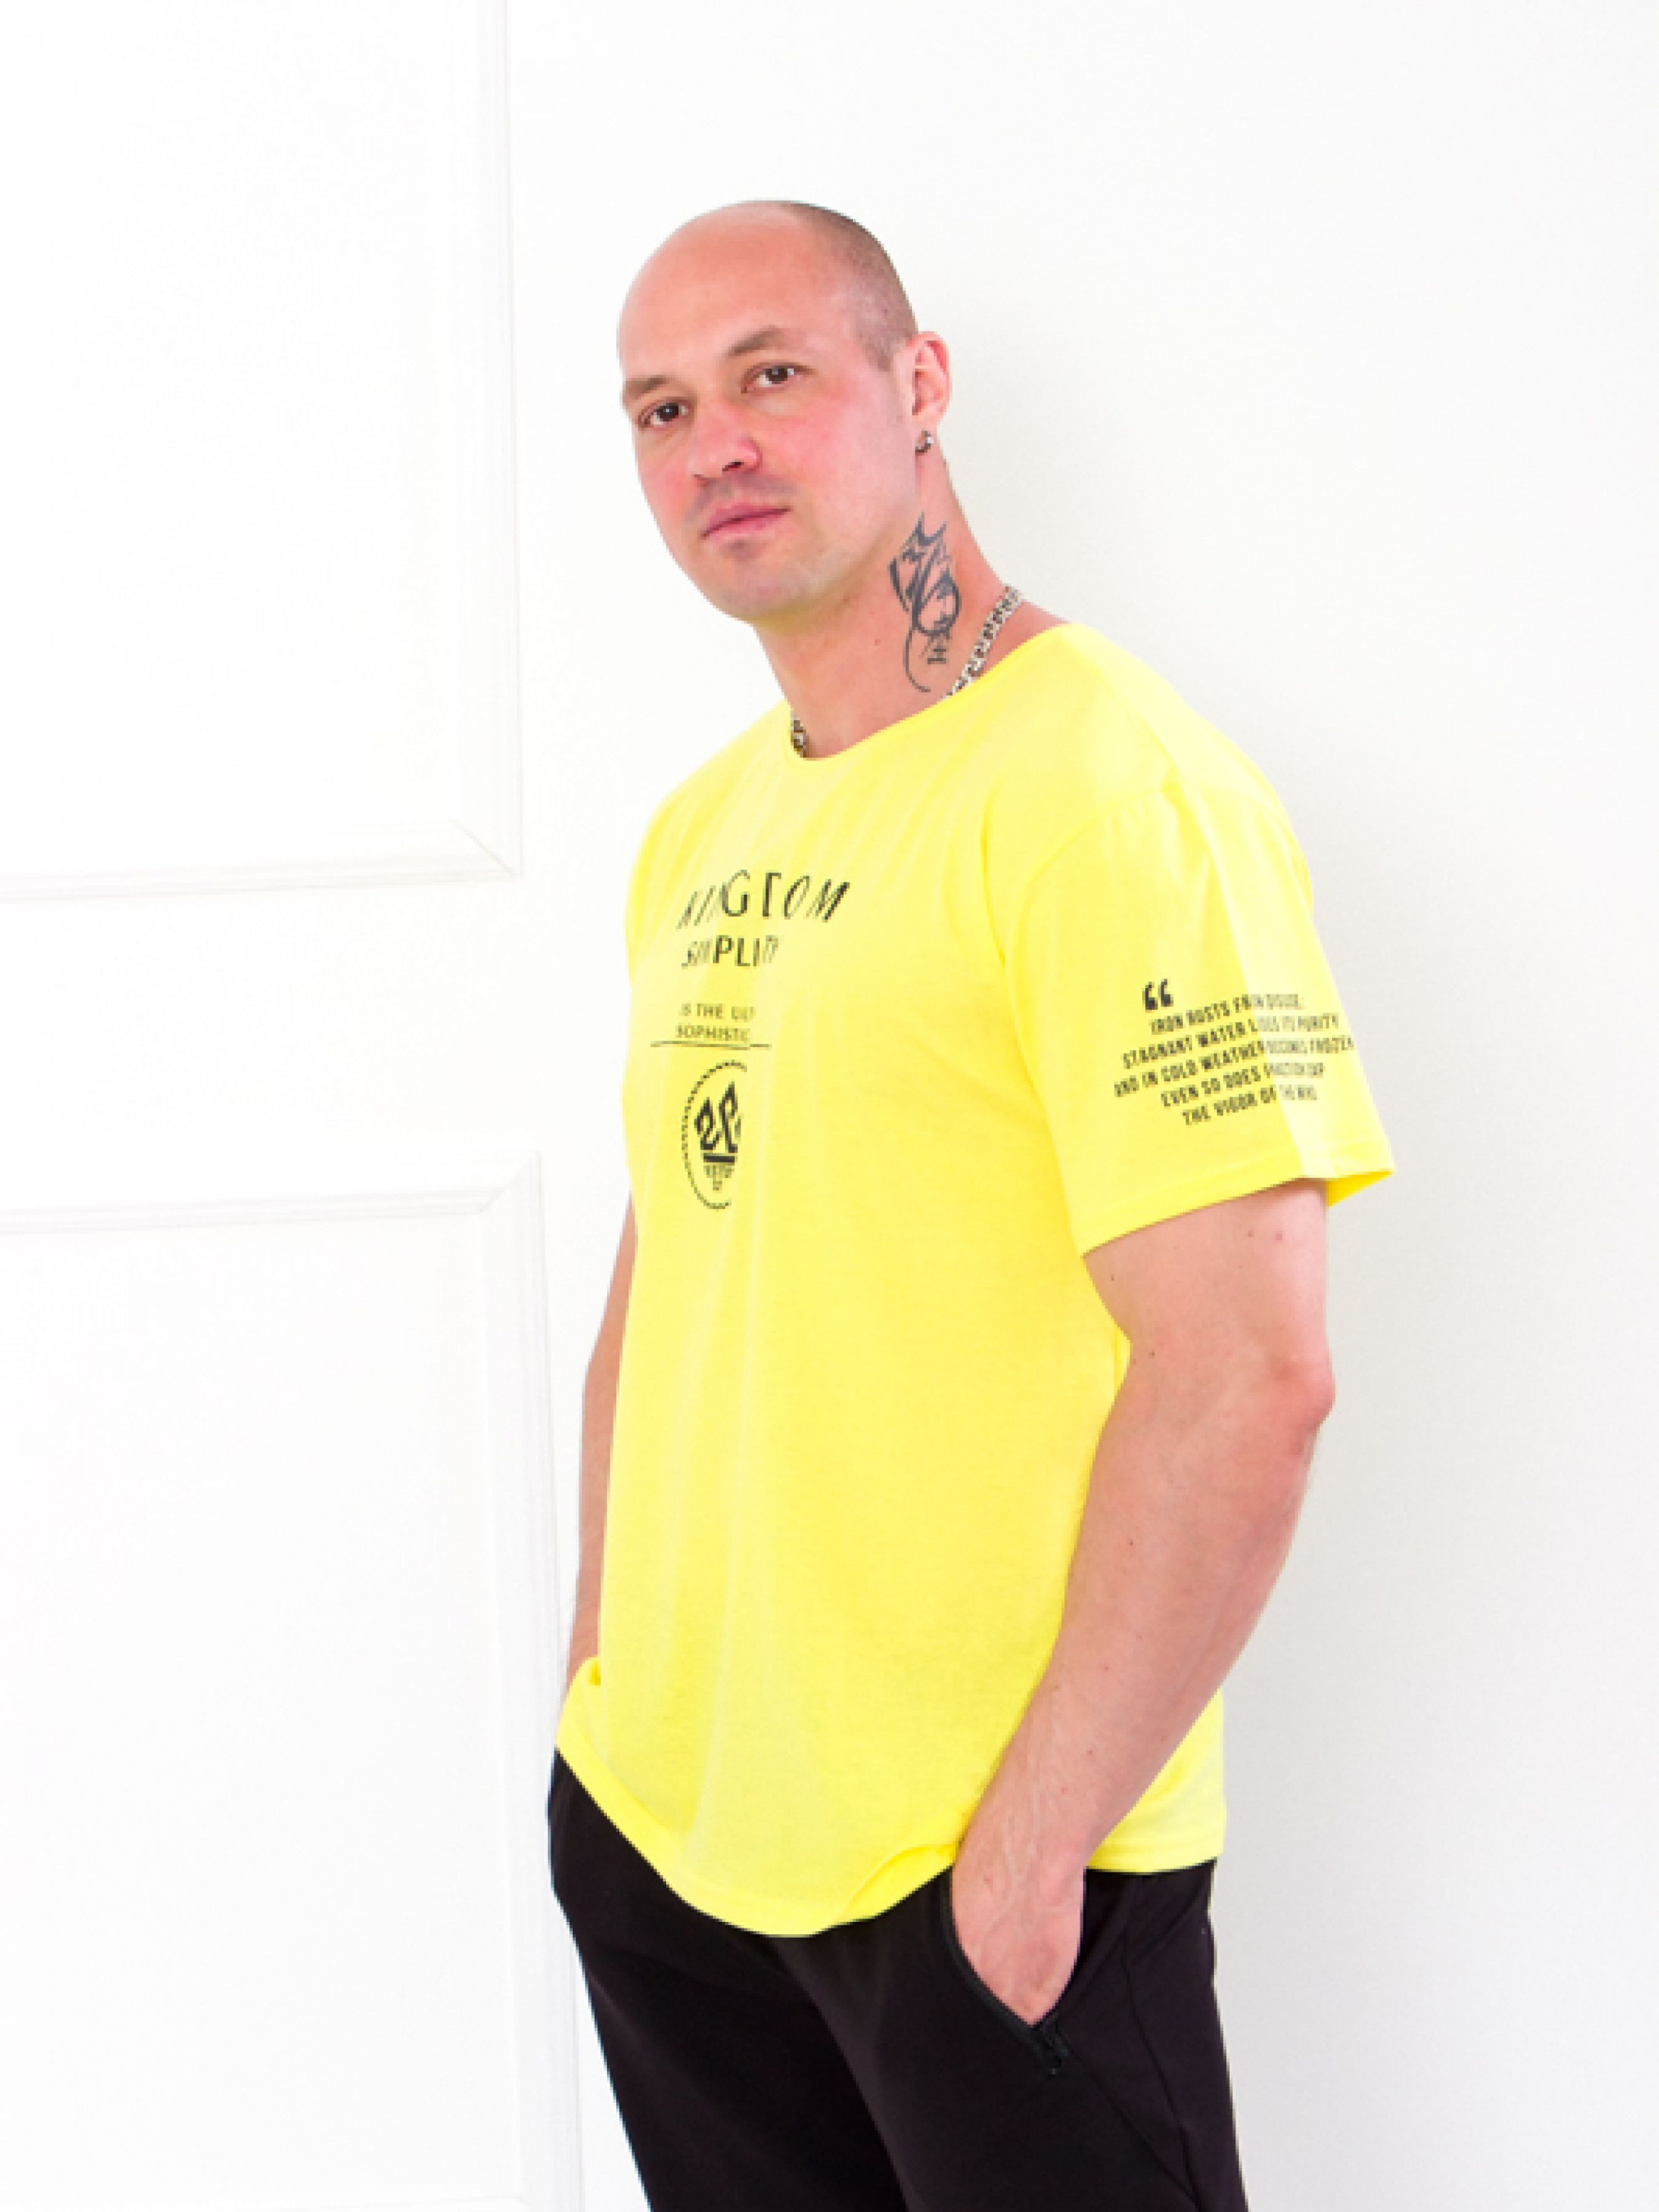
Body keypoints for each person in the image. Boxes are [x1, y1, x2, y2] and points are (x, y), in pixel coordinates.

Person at [547, 197, 1394, 2212]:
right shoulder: (705, 821)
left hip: (984, 1878)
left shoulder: (1113, 794)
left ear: (916, 383)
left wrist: (1024, 1862)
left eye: (770, 374)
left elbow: (1246, 1375)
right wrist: (602, 1701)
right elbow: (673, 1261)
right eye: (660, 409)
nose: (715, 444)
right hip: (679, 1842)